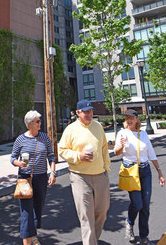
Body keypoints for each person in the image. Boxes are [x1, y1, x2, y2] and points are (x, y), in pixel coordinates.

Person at [59, 99, 110, 245]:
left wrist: (106, 166)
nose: (89, 114)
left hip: (100, 175)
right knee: (86, 216)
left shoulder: (98, 127)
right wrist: (78, 156)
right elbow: (62, 150)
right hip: (80, 177)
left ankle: (94, 240)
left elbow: (104, 147)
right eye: (86, 111)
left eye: (91, 111)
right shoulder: (71, 129)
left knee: (102, 212)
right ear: (78, 113)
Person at [114, 109, 165, 245]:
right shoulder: (122, 133)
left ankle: (144, 236)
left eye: (131, 117)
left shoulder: (143, 134)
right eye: (126, 118)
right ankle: (130, 223)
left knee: (146, 206)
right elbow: (116, 152)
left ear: (137, 119)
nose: (129, 120)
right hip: (131, 171)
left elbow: (151, 153)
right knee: (137, 204)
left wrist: (159, 172)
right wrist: (121, 145)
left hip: (145, 171)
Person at [11, 110, 56, 245]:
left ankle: (34, 235)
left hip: (41, 178)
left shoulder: (44, 137)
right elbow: (12, 157)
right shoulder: (20, 139)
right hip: (25, 178)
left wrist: (52, 173)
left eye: (40, 121)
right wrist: (18, 163)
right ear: (29, 124)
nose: (40, 123)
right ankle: (27, 241)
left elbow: (51, 157)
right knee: (26, 212)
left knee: (38, 208)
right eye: (37, 121)